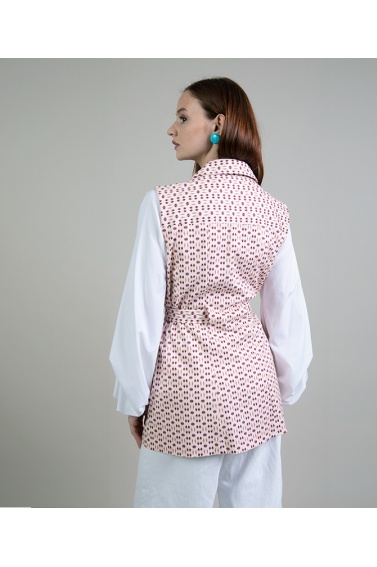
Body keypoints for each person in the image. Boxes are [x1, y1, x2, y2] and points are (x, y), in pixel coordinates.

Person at [109, 77, 313, 508]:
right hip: (255, 391)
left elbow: (141, 315)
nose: (172, 129)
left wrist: (134, 397)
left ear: (217, 124)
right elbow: (287, 312)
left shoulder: (163, 204)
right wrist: (284, 387)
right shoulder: (273, 212)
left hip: (184, 389)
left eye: (183, 118)